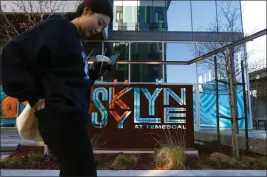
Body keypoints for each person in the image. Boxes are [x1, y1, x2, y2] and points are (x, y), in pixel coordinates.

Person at [0, 0, 113, 176]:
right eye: (99, 23)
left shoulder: (74, 40)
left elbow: (68, 82)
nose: (98, 30)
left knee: (75, 171)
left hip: (71, 117)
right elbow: (12, 51)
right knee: (82, 172)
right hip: (60, 115)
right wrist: (31, 94)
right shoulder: (59, 27)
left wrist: (94, 73)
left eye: (102, 28)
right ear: (87, 11)